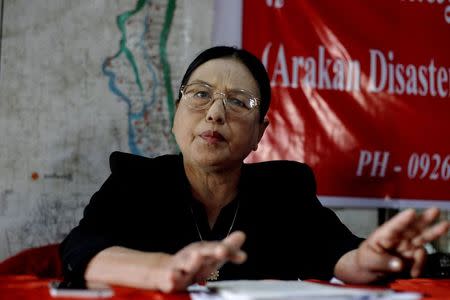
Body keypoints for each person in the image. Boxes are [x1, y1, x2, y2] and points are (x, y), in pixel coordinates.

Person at [60, 46, 449, 293]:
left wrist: (365, 260)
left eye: (238, 101)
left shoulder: (284, 190)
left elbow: (338, 253)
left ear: (259, 133)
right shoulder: (136, 180)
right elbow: (81, 249)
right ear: (175, 113)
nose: (214, 112)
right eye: (199, 95)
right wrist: (162, 270)